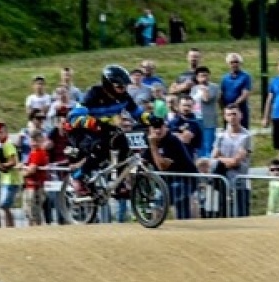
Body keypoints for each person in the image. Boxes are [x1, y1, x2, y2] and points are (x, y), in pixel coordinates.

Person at [64, 65, 140, 197]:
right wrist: (94, 122)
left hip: (102, 129)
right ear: (109, 85)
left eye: (125, 87)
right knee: (100, 148)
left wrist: (152, 119)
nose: (123, 90)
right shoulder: (93, 94)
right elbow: (74, 118)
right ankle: (77, 177)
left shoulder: (124, 97)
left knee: (123, 143)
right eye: (120, 87)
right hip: (79, 131)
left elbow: (137, 112)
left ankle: (118, 183)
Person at [144, 113, 197, 219]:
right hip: (170, 182)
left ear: (166, 127)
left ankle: (155, 232)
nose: (157, 131)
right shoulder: (150, 141)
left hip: (185, 181)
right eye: (155, 128)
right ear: (150, 129)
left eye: (160, 127)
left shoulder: (172, 141)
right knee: (183, 214)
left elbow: (162, 166)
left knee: (159, 204)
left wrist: (153, 145)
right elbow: (143, 160)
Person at [209, 105, 253, 217]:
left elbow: (236, 161)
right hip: (222, 182)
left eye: (234, 114)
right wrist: (226, 160)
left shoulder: (246, 136)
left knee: (240, 215)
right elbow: (213, 156)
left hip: (240, 183)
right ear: (225, 117)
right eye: (229, 114)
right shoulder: (221, 136)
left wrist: (221, 158)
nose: (232, 117)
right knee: (222, 215)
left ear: (240, 116)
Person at [220, 53, 253, 127]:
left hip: (241, 109)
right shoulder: (224, 78)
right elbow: (222, 94)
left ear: (240, 63)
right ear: (228, 64)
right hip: (228, 110)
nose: (234, 64)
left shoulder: (245, 76)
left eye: (236, 62)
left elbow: (245, 94)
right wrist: (223, 108)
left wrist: (234, 105)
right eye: (232, 62)